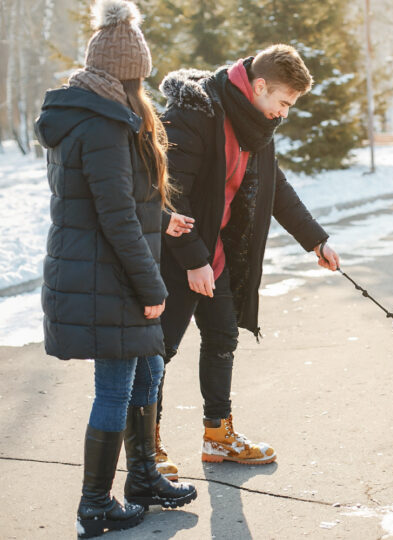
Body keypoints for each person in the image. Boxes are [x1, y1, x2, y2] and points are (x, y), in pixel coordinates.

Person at [34, 1, 196, 537]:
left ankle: (144, 477)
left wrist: (164, 218)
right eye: (141, 79)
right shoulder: (103, 125)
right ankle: (95, 504)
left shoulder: (97, 114)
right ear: (129, 76)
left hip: (110, 268)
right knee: (115, 386)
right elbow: (115, 215)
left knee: (147, 365)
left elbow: (121, 198)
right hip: (109, 276)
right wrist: (152, 286)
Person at [154, 44, 340, 477]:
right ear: (259, 86)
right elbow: (170, 192)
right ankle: (147, 447)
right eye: (283, 102)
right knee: (157, 351)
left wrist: (315, 240)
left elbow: (276, 187)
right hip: (173, 251)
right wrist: (193, 260)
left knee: (221, 338)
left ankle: (218, 437)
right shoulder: (195, 112)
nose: (284, 113)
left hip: (215, 252)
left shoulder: (255, 124)